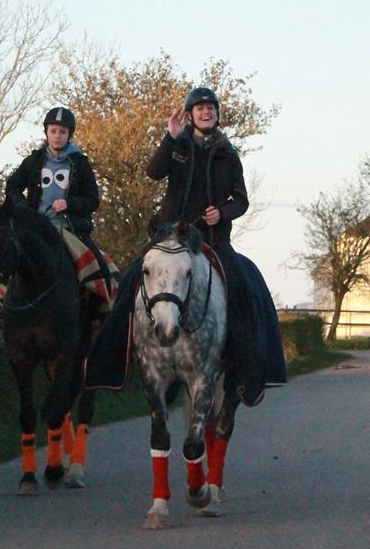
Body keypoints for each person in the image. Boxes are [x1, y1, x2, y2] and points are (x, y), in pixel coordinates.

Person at [85, 87, 287, 404]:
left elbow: (241, 200)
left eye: (211, 108)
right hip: (171, 236)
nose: (206, 112)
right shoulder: (178, 145)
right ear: (190, 115)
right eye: (200, 108)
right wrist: (170, 137)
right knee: (130, 282)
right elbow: (153, 172)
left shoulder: (228, 153)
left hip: (213, 239)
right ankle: (110, 366)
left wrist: (222, 213)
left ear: (217, 115)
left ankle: (246, 372)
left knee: (243, 287)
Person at [0, 106, 111, 345]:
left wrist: (69, 203)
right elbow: (12, 186)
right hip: (37, 232)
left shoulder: (80, 163)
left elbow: (93, 200)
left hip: (70, 231)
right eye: (53, 131)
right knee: (7, 261)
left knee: (98, 266)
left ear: (69, 135)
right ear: (46, 132)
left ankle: (101, 319)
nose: (57, 136)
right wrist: (24, 207)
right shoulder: (33, 161)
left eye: (62, 132)